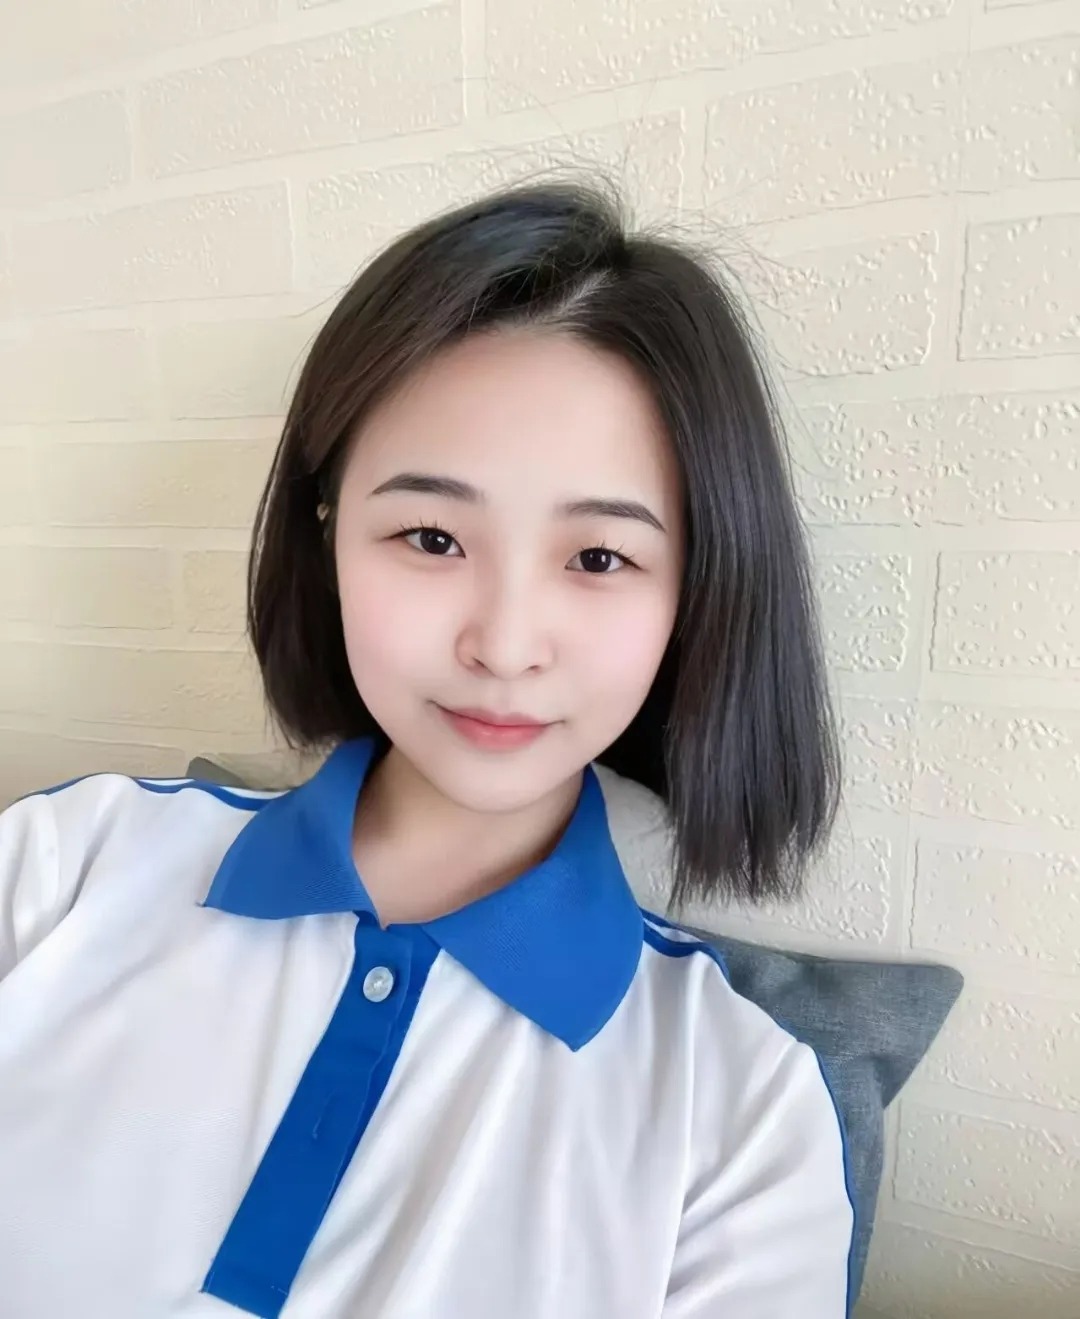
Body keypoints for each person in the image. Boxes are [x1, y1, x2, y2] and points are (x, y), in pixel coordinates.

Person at [0, 177, 855, 1318]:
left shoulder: (744, 1116)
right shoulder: (65, 865)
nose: (504, 644)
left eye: (599, 558)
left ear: (697, 594)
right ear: (326, 539)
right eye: (431, 536)